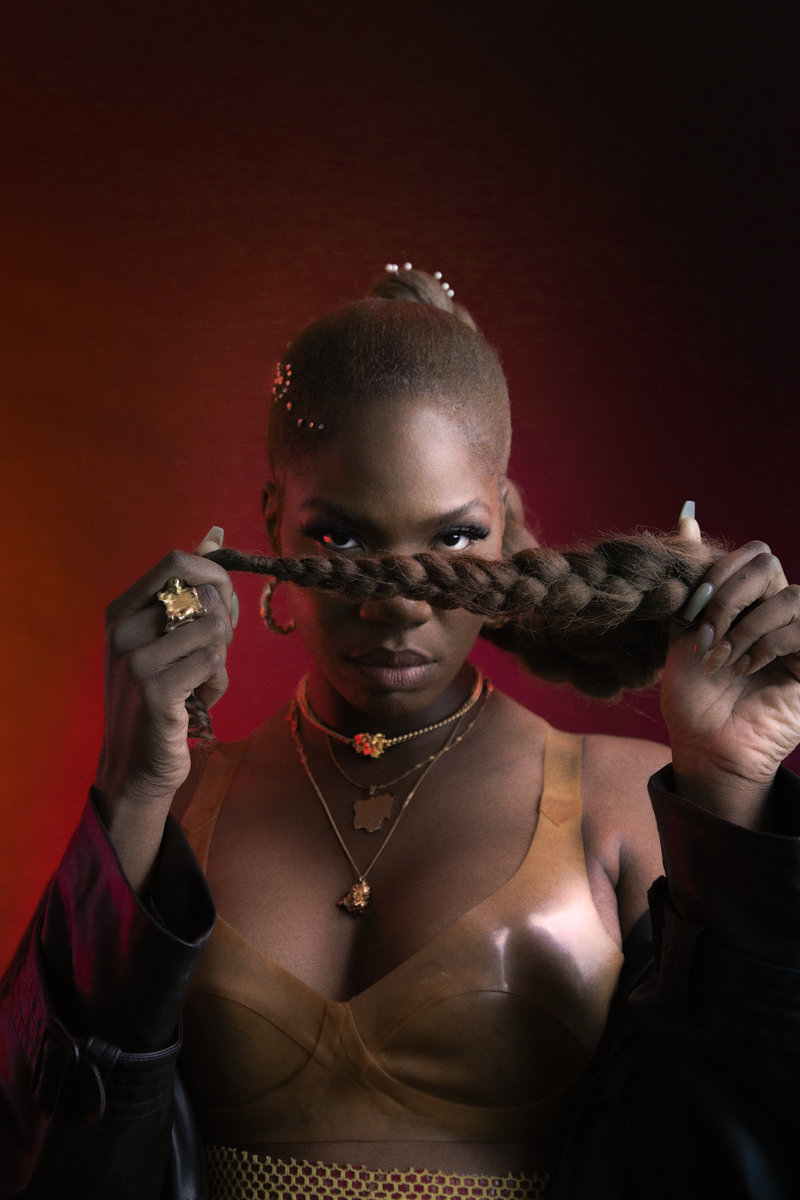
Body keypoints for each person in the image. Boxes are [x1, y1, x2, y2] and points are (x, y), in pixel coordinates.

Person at [2, 264, 800, 1200]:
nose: (397, 603)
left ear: (504, 525)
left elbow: (747, 1144)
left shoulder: (628, 809)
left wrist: (730, 786)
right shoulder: (175, 809)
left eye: (453, 538)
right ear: (272, 523)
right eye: (340, 538)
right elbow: (38, 1150)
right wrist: (129, 792)